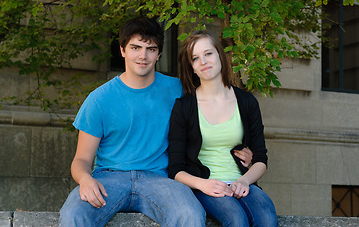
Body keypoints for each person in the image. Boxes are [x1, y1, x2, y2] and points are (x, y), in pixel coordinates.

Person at [59, 17, 208, 227]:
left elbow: (213, 121)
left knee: (190, 213)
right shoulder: (99, 99)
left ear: (159, 54)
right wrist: (85, 179)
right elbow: (81, 160)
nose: (143, 56)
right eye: (135, 47)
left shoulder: (178, 90)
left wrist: (242, 148)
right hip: (109, 180)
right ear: (122, 50)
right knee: (73, 213)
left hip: (160, 179)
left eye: (151, 49)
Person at [168, 30, 278, 227]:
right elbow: (175, 169)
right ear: (192, 67)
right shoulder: (184, 107)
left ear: (219, 54)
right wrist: (204, 185)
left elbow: (261, 158)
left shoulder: (246, 102)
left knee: (267, 219)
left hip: (242, 183)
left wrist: (244, 181)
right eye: (195, 58)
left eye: (208, 53)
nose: (203, 61)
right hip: (206, 186)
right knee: (237, 220)